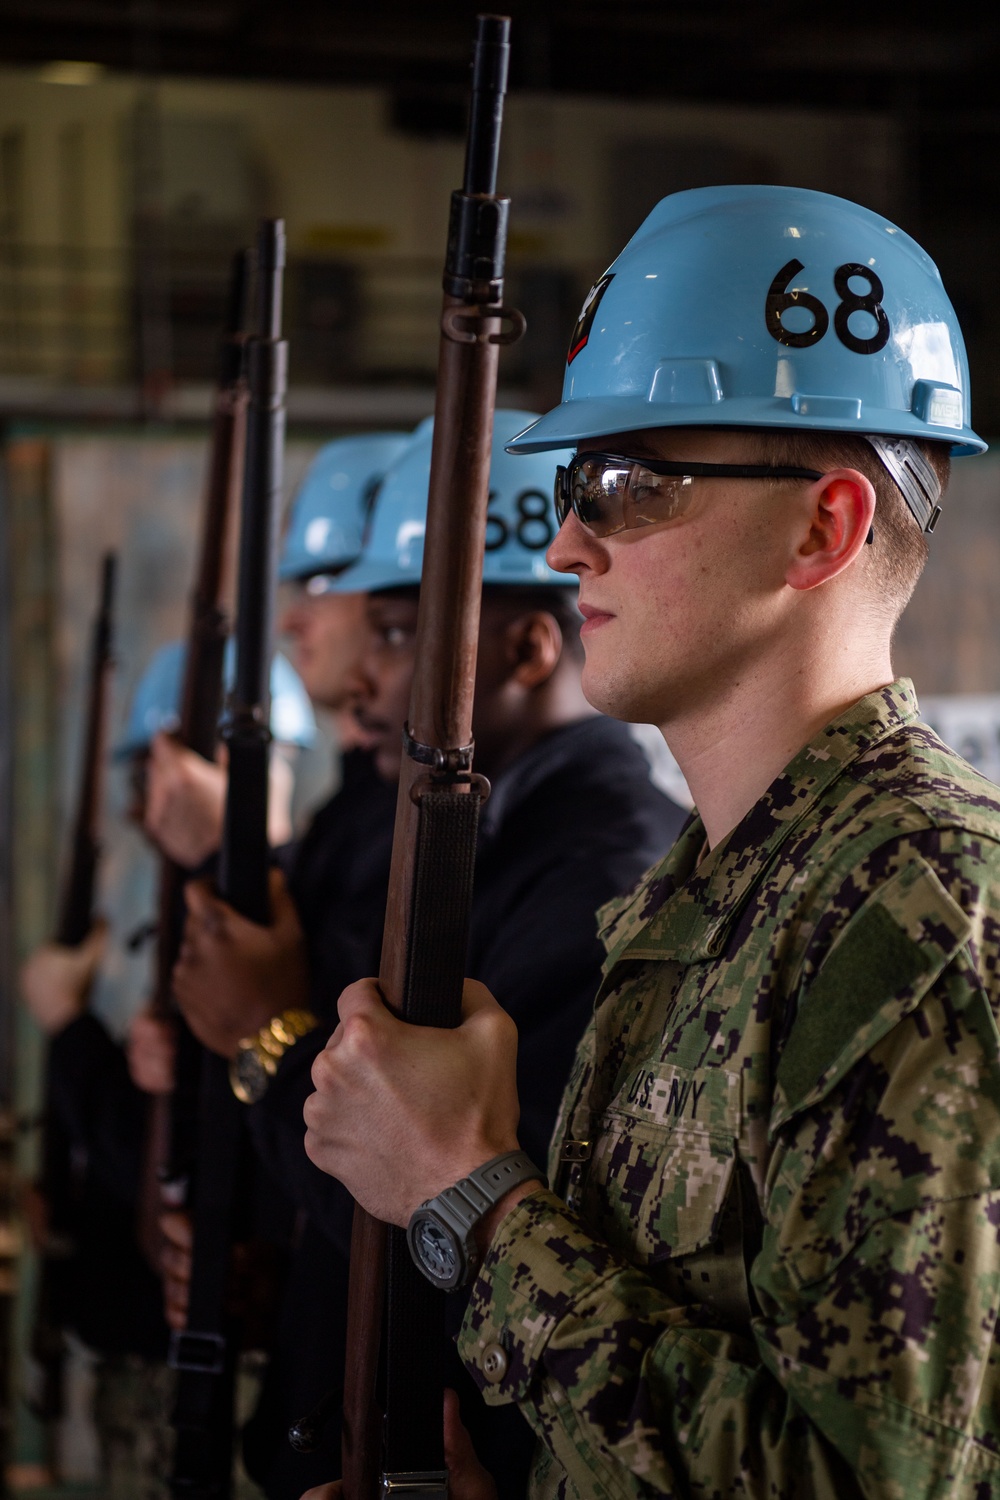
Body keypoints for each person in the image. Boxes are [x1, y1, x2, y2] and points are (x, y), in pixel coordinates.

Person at [301, 184, 1000, 1497]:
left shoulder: (916, 908)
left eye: (627, 483)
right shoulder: (711, 891)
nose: (568, 543)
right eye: (576, 483)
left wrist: (474, 1201)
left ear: (822, 528)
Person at [167, 412, 687, 1498]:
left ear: (528, 646)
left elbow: (455, 1240)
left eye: (398, 631)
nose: (361, 663)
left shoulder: (593, 876)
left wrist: (265, 1040)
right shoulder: (487, 837)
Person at [19, 642, 315, 1499]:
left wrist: (69, 1031)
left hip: (200, 1363)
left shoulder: (262, 931)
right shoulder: (240, 909)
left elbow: (176, 1166)